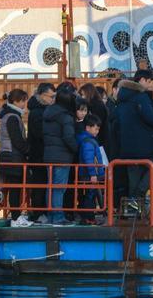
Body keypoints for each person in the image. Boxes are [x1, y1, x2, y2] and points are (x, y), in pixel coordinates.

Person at [110, 68, 153, 214]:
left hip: (127, 146)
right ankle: (135, 201)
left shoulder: (122, 99)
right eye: (151, 82)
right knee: (152, 169)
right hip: (145, 146)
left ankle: (133, 210)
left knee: (133, 178)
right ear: (142, 80)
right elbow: (150, 117)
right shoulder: (141, 97)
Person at [40, 85, 79, 225]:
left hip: (49, 155)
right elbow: (68, 137)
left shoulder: (47, 113)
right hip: (63, 156)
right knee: (59, 188)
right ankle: (58, 217)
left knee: (50, 186)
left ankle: (51, 216)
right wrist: (76, 149)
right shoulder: (66, 117)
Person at [0, 89, 32, 226]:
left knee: (14, 187)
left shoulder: (8, 115)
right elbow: (17, 140)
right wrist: (27, 150)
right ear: (16, 101)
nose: (24, 104)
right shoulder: (12, 117)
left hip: (8, 156)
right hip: (12, 156)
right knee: (15, 187)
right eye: (23, 101)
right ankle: (16, 218)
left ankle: (16, 216)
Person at [26, 82, 55, 215]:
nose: (52, 99)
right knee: (39, 184)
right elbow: (38, 133)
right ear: (42, 96)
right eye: (50, 96)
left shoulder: (42, 110)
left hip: (43, 152)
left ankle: (40, 211)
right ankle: (38, 212)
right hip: (38, 153)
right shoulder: (37, 112)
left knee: (42, 183)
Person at [76, 115, 109, 224]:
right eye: (96, 128)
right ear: (88, 128)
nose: (97, 131)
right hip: (90, 174)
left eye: (98, 129)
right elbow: (88, 159)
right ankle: (89, 218)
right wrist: (93, 174)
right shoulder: (88, 142)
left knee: (90, 194)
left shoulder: (87, 140)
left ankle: (88, 217)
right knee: (90, 195)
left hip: (89, 173)